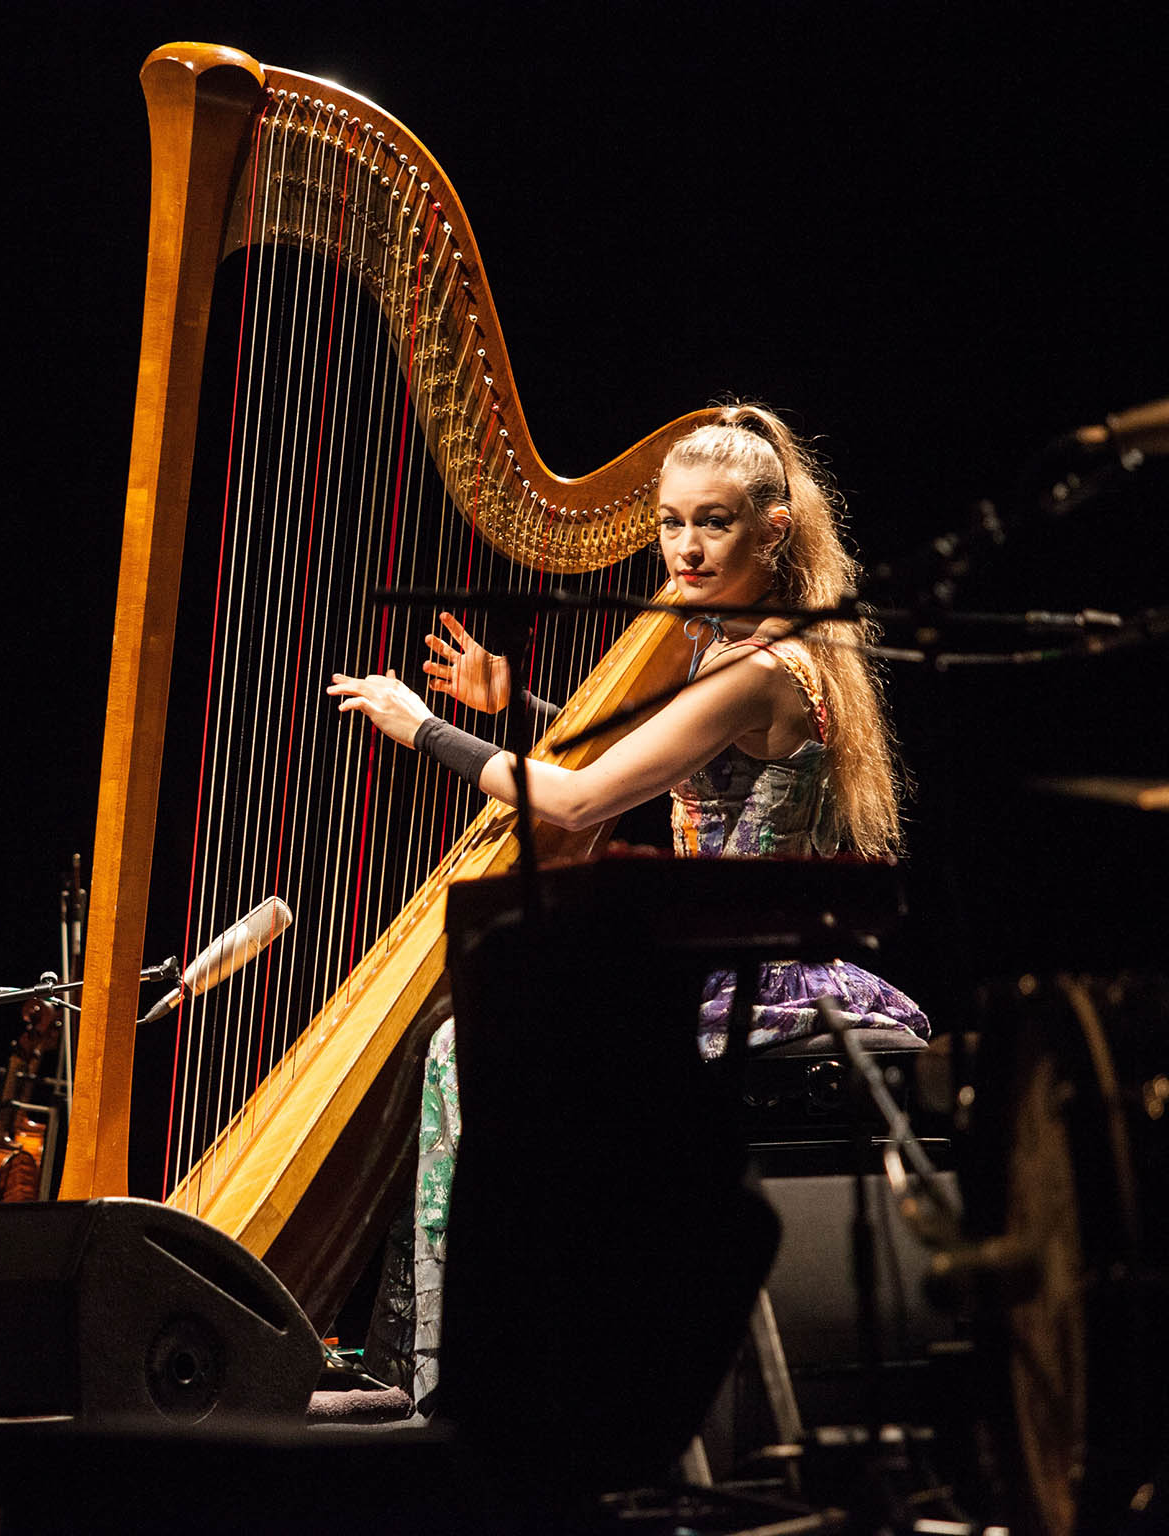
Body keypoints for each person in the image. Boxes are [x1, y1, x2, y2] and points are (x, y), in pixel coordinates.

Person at [327, 402, 927, 1407]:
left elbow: (579, 797)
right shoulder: (737, 647)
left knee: (457, 1048)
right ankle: (472, 1362)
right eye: (670, 522)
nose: (684, 547)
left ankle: (454, 1381)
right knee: (471, 1032)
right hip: (719, 961)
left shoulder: (758, 665)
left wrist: (423, 727)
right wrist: (512, 712)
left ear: (771, 530)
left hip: (746, 980)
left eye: (714, 523)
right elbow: (664, 770)